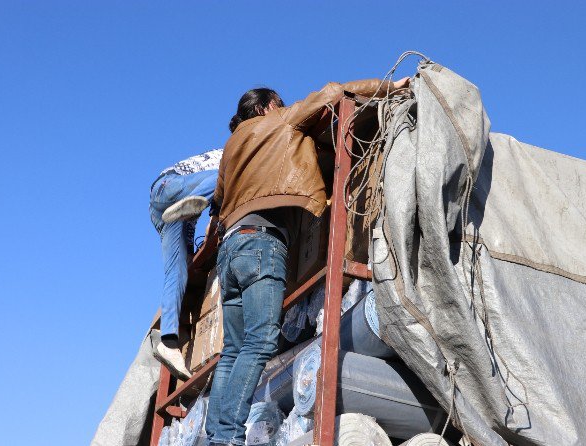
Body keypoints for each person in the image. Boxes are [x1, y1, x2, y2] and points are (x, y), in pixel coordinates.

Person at [205, 78, 410, 445]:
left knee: (233, 351)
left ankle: (216, 434)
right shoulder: (279, 120)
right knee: (260, 342)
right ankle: (227, 438)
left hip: (230, 249)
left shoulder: (231, 147)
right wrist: (389, 85)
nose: (283, 106)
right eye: (279, 102)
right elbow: (332, 92)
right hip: (261, 244)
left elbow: (218, 198)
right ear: (267, 106)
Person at [149, 148, 223, 380]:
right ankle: (194, 202)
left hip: (165, 211)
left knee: (177, 272)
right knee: (227, 175)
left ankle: (168, 342)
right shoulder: (233, 151)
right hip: (169, 186)